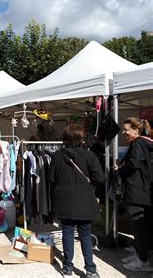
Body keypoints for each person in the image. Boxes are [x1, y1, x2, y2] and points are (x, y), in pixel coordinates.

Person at [49, 125, 104, 278]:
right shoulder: (89, 155)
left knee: (67, 233)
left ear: (65, 138)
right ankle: (90, 270)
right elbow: (99, 178)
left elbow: (51, 179)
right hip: (84, 199)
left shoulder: (57, 156)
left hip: (64, 199)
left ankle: (67, 268)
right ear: (81, 138)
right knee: (85, 235)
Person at [117, 118, 153, 272]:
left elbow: (133, 164)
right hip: (142, 188)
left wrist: (119, 171)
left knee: (138, 226)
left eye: (126, 129)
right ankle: (140, 253)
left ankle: (143, 260)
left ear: (136, 129)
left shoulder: (138, 143)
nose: (123, 132)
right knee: (140, 226)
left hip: (136, 189)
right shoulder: (145, 142)